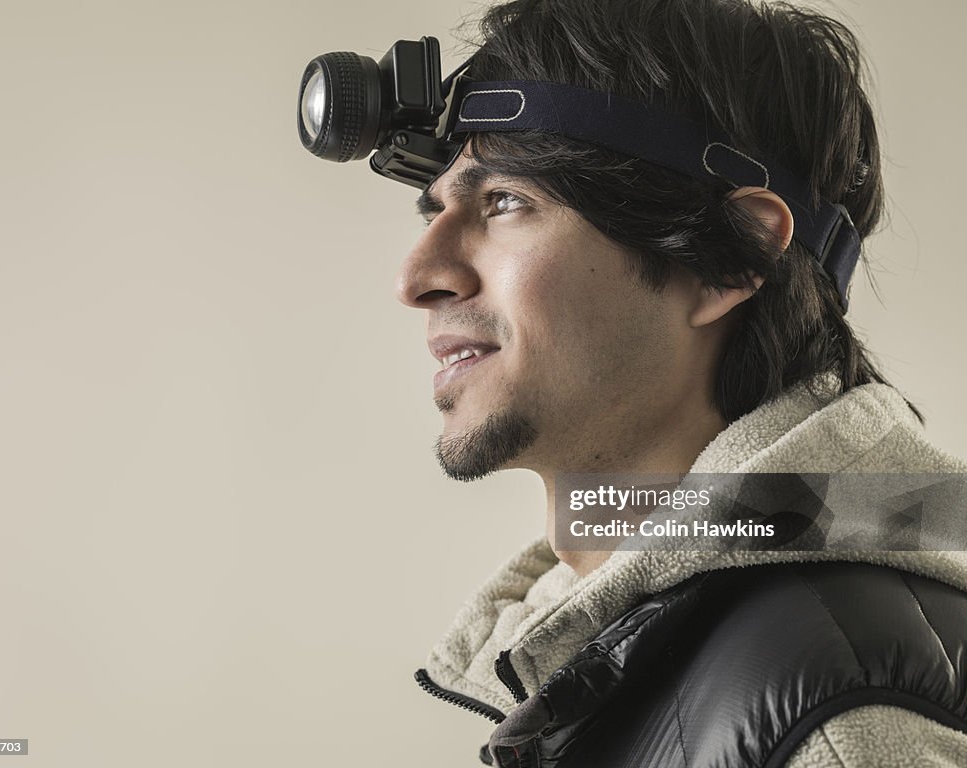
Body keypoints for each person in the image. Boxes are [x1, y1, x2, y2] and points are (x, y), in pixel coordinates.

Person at [391, 0, 967, 766]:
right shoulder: (618, 638)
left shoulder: (834, 717)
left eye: (506, 202)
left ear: (727, 259)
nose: (418, 277)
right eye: (436, 211)